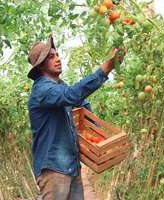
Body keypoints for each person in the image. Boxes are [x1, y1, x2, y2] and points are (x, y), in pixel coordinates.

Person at [27, 34, 125, 200]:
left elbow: (79, 100)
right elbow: (72, 95)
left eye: (57, 54)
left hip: (71, 166)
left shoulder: (59, 86)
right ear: (41, 66)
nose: (57, 58)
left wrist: (98, 133)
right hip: (54, 169)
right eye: (51, 57)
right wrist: (105, 68)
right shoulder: (42, 91)